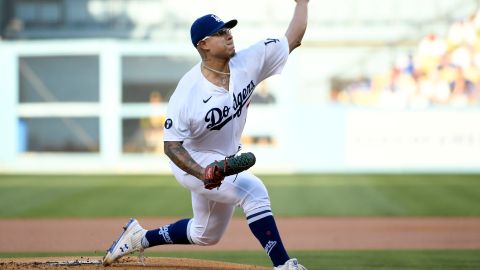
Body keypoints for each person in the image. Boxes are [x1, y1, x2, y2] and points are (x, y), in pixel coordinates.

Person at [102, 1, 309, 269]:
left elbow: (294, 37)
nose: (228, 34)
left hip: (223, 159)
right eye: (220, 32)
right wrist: (202, 173)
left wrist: (302, 3)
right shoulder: (188, 92)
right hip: (193, 161)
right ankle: (284, 264)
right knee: (254, 191)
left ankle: (139, 237)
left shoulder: (250, 61)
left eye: (228, 29)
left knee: (205, 234)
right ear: (204, 44)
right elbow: (171, 146)